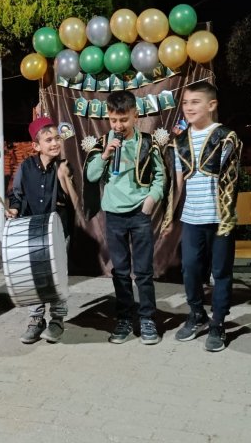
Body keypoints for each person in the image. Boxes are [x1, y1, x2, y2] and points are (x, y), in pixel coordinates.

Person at [164, 81, 242, 352]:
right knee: (189, 269)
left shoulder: (226, 137)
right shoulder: (179, 142)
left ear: (211, 105)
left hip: (220, 218)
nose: (188, 107)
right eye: (185, 103)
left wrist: (227, 216)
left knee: (221, 272)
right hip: (191, 218)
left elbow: (231, 181)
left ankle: (218, 322)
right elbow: (177, 184)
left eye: (195, 102)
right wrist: (169, 217)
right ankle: (197, 314)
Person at [84, 90, 165, 345]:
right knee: (120, 272)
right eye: (113, 120)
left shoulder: (148, 143)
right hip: (114, 216)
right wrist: (105, 155)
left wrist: (150, 200)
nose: (118, 126)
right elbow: (91, 176)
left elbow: (160, 177)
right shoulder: (103, 142)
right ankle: (124, 319)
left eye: (124, 120)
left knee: (143, 272)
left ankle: (148, 318)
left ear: (135, 116)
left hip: (140, 214)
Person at [7, 117, 78, 344]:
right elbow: (16, 194)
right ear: (36, 146)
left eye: (57, 138)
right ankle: (36, 320)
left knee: (57, 275)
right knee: (34, 275)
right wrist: (14, 209)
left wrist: (65, 179)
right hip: (32, 230)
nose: (55, 143)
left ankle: (57, 320)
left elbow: (76, 203)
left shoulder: (64, 166)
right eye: (49, 140)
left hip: (59, 229)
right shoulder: (26, 167)